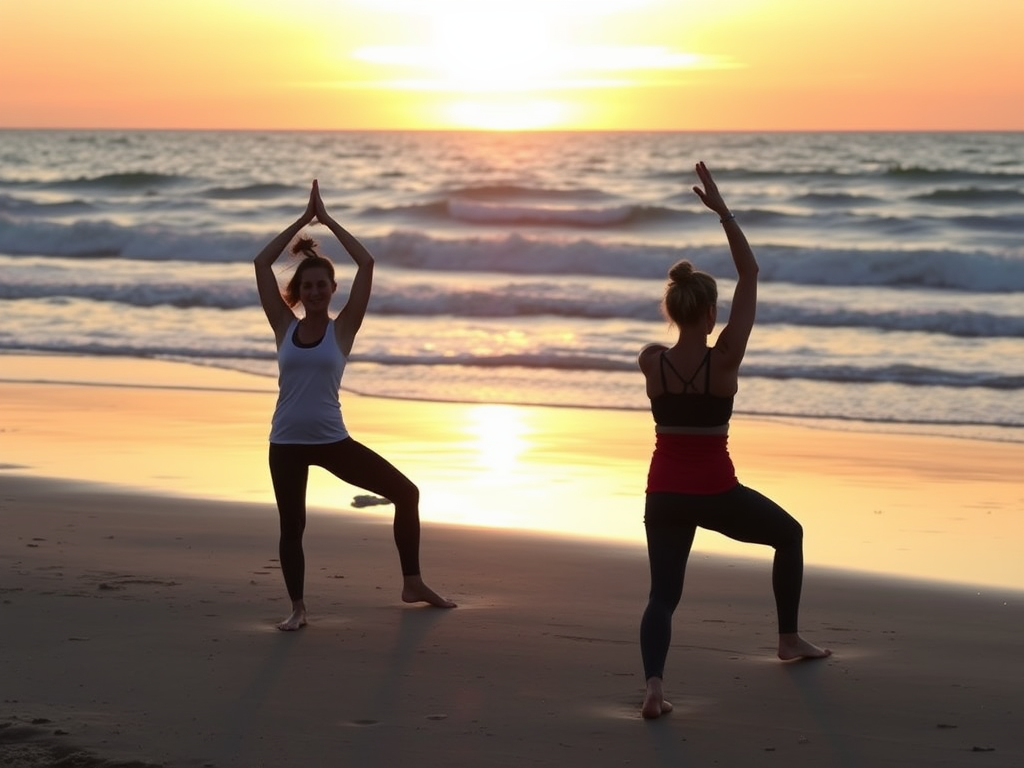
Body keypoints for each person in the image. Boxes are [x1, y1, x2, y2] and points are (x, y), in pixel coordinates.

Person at [637, 162, 830, 719]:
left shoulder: (651, 362)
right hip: (716, 493)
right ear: (710, 313)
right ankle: (788, 639)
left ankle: (654, 689)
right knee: (788, 535)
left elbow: (672, 344)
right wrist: (724, 213)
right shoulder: (723, 362)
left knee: (662, 596)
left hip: (663, 495)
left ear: (672, 311)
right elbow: (750, 274)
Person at [254, 180, 456, 631]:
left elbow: (366, 263)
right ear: (298, 291)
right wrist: (301, 222)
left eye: (321, 285)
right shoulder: (283, 325)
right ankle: (298, 609)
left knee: (406, 494)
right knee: (292, 526)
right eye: (307, 286)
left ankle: (413, 583)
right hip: (285, 441)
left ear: (332, 288)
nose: (314, 292)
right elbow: (261, 263)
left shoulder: (342, 330)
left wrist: (327, 221)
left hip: (331, 440)